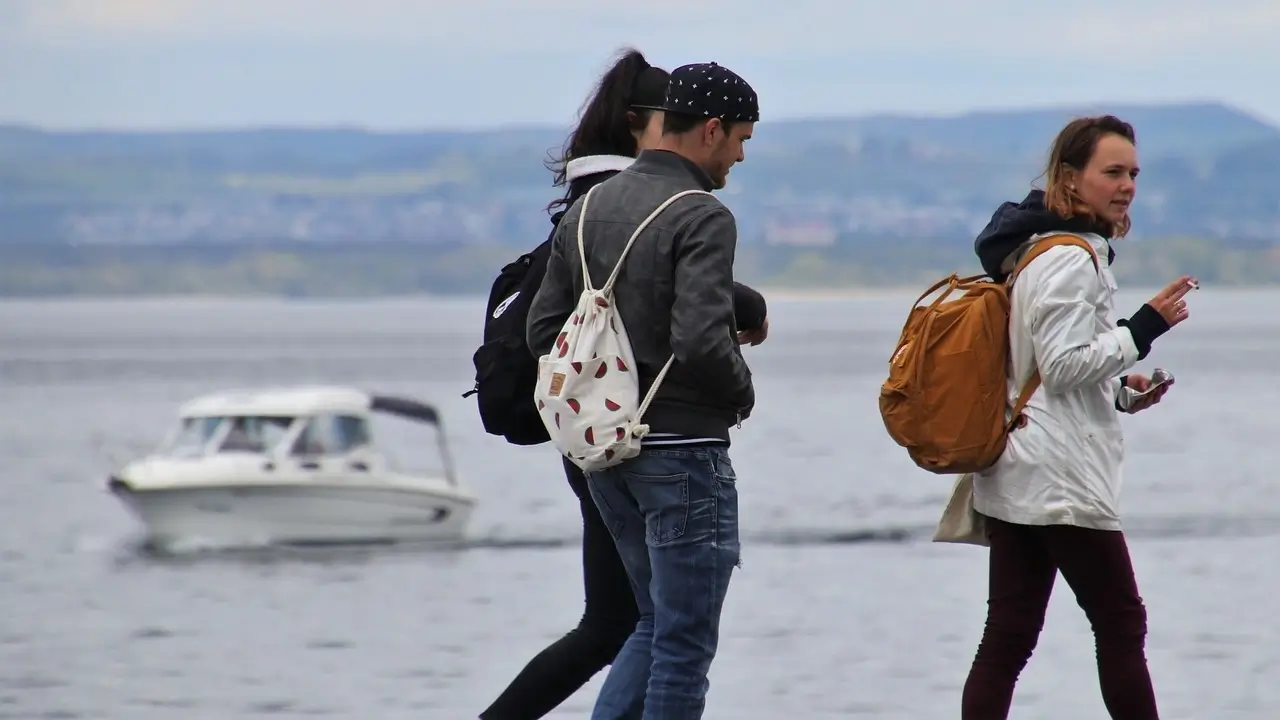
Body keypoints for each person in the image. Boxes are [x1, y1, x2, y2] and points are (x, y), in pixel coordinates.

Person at [478, 51, 767, 720]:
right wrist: (740, 394)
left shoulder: (589, 207)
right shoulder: (701, 215)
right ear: (713, 129)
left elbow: (545, 325)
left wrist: (607, 379)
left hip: (607, 454)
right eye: (743, 141)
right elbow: (699, 338)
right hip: (685, 448)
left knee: (649, 624)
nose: (741, 159)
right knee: (685, 643)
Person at [961, 115, 1196, 719]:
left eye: (1133, 173)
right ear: (1070, 178)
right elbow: (1063, 367)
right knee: (1122, 623)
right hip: (1059, 477)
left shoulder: (1036, 251)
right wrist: (1142, 328)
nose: (1127, 186)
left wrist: (1121, 391)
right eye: (1112, 172)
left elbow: (1048, 372)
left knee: (1008, 636)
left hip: (1019, 468)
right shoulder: (1069, 259)